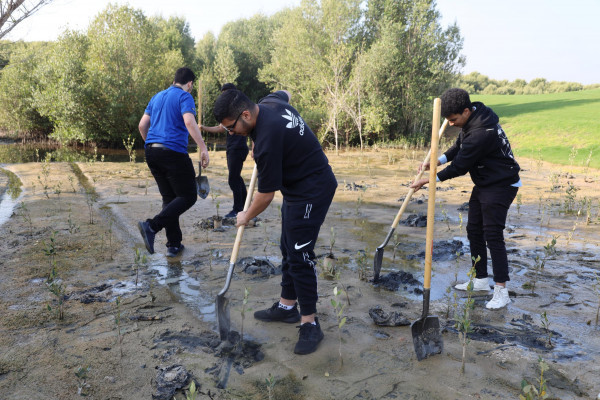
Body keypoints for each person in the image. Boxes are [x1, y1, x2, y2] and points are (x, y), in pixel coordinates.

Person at [213, 88, 337, 354]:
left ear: (246, 114)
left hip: (313, 190)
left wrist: (245, 215)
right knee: (287, 247)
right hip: (296, 189)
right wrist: (257, 137)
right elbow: (287, 93)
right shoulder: (268, 102)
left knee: (300, 253)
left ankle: (310, 323)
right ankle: (287, 306)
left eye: (231, 128)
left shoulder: (268, 139)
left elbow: (265, 195)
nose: (230, 134)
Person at [410, 88, 521, 310]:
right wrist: (438, 160)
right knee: (473, 229)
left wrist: (431, 179)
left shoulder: (482, 133)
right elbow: (459, 146)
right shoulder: (476, 116)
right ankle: (480, 281)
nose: (450, 124)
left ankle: (501, 291)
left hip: (501, 184)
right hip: (485, 181)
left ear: (466, 111)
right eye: (448, 120)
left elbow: (460, 166)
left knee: (493, 235)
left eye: (453, 119)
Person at [137, 67, 210, 257]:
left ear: (174, 80)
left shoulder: (157, 96)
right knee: (188, 196)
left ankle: (173, 245)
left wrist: (153, 146)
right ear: (190, 84)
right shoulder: (184, 97)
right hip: (173, 152)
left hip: (151, 152)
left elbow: (142, 125)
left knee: (170, 199)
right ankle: (152, 226)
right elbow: (189, 122)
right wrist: (203, 147)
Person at [200, 83, 249, 218]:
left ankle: (238, 209)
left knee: (233, 179)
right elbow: (220, 128)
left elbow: (251, 126)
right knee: (237, 178)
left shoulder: (239, 108)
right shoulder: (229, 110)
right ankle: (244, 207)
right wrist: (204, 128)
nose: (223, 97)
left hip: (237, 148)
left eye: (225, 93)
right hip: (233, 148)